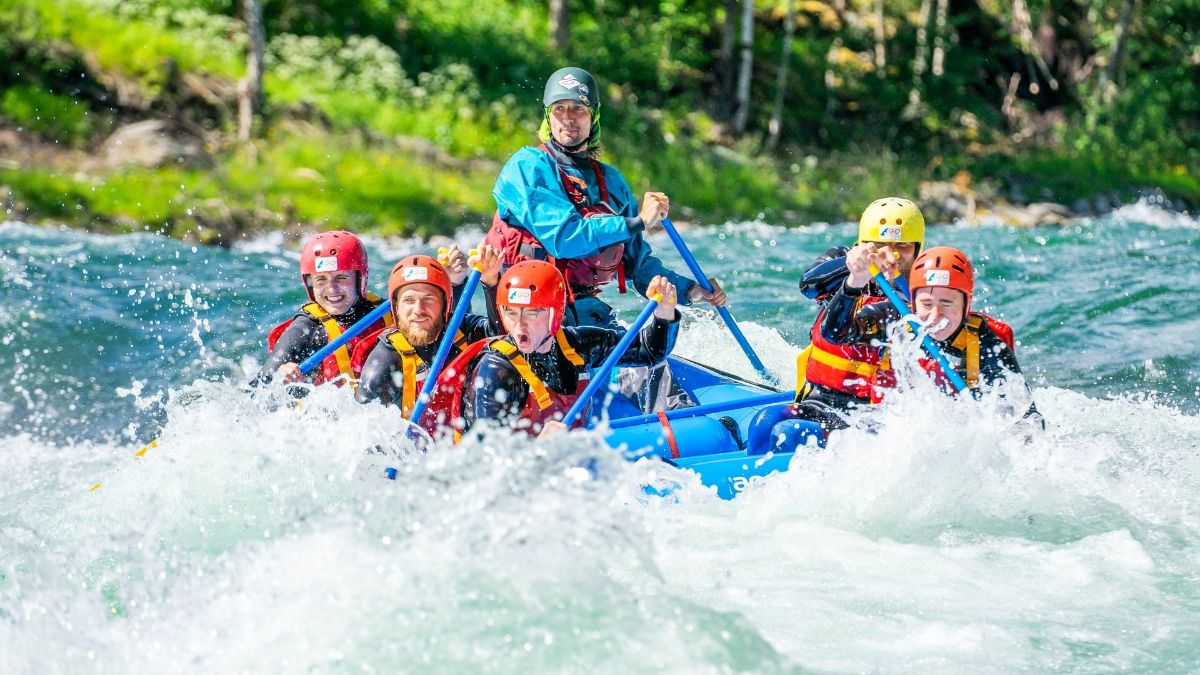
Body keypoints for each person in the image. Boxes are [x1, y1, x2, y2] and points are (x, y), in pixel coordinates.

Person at [486, 66, 726, 329]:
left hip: (583, 314)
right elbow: (563, 238)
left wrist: (691, 291)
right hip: (522, 313)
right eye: (559, 109)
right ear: (548, 117)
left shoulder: (613, 184)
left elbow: (639, 266)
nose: (568, 118)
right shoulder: (526, 167)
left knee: (646, 357)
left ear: (593, 117)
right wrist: (638, 222)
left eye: (578, 108)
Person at [445, 261, 680, 437]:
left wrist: (664, 311)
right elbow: (483, 455)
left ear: (555, 314)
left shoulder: (577, 344)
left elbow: (650, 351)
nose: (519, 325)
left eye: (532, 313)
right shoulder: (495, 370)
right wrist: (533, 449)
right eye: (511, 313)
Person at [820, 245, 1042, 424]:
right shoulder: (894, 319)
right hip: (886, 429)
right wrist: (855, 282)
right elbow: (835, 334)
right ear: (913, 302)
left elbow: (1026, 417)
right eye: (926, 303)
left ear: (966, 305)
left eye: (947, 303)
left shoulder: (985, 343)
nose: (935, 316)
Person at [792, 197, 928, 429]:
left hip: (879, 412)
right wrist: (853, 267)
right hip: (821, 398)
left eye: (902, 245)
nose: (890, 254)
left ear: (917, 250)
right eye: (879, 245)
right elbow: (808, 286)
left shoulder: (924, 287)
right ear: (862, 244)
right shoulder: (840, 260)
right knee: (766, 425)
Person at [353, 245, 504, 422]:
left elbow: (504, 337)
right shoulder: (384, 363)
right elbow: (365, 434)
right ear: (396, 308)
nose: (418, 310)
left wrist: (492, 281)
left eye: (428, 299)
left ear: (445, 306)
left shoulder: (461, 328)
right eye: (409, 300)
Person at [256, 230, 391, 389]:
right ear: (310, 284)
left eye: (341, 278)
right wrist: (281, 372)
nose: (332, 288)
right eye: (321, 279)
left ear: (360, 279)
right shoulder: (307, 327)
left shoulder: (386, 311)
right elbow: (266, 375)